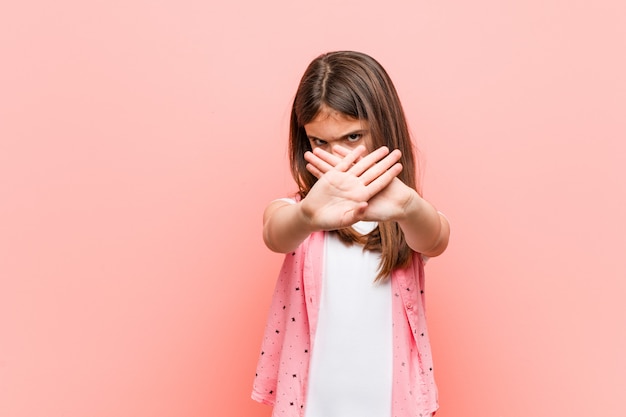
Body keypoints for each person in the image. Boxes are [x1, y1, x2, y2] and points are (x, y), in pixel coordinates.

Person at [252, 51, 450, 417]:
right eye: (320, 143)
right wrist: (308, 214)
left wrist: (406, 206)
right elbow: (276, 233)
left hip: (389, 404)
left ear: (383, 127)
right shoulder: (298, 212)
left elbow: (436, 238)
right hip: (315, 403)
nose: (338, 157)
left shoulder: (406, 212)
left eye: (352, 137)